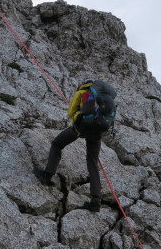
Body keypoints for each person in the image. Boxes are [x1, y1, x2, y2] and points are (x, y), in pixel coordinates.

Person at [35, 79, 116, 212]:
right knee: (92, 163)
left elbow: (71, 111)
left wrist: (77, 117)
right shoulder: (106, 98)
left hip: (81, 129)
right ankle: (95, 201)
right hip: (97, 132)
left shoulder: (83, 93)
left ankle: (47, 175)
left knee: (57, 144)